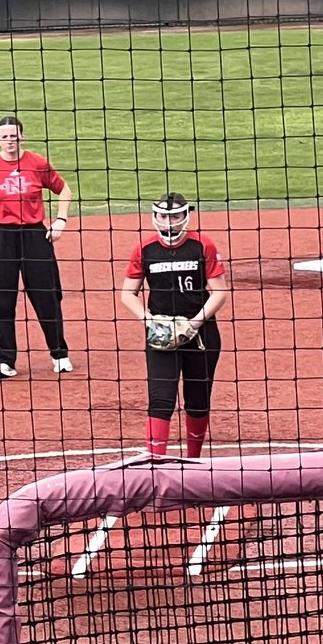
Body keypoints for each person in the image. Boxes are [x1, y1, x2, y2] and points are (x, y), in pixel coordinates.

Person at [0, 115, 73, 379]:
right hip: (2, 238)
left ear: (22, 136)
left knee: (46, 297)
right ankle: (5, 361)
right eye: (5, 136)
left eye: (14, 135)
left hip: (35, 236)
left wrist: (61, 220)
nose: (10, 141)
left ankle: (60, 355)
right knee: (1, 300)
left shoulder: (37, 163)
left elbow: (63, 189)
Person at [120, 193, 228, 458]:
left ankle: (193, 461)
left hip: (200, 334)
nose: (170, 222)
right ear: (155, 217)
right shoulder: (145, 250)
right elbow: (127, 293)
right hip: (161, 336)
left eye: (176, 216)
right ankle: (156, 464)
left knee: (198, 400)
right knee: (160, 399)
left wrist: (193, 324)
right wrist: (151, 322)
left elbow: (219, 292)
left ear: (185, 216)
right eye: (164, 216)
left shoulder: (203, 246)